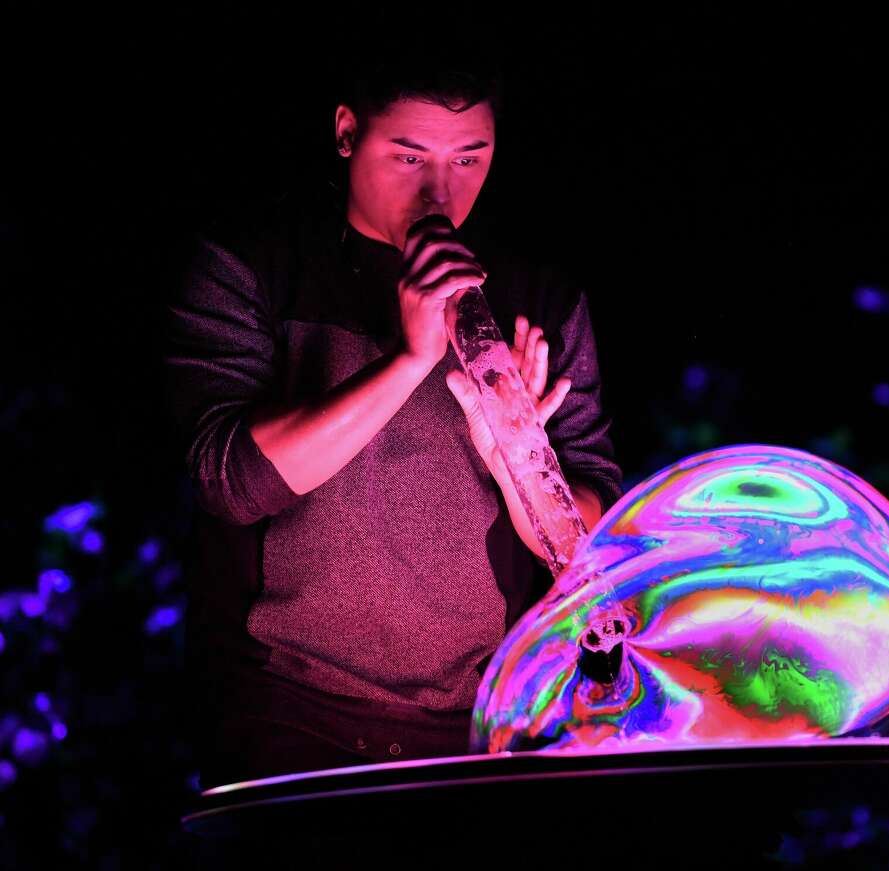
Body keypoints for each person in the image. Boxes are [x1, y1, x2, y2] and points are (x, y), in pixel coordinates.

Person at [164, 54, 623, 790]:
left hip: (478, 730)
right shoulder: (253, 268)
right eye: (408, 155)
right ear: (347, 130)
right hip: (285, 717)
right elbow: (229, 482)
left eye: (470, 156)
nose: (441, 189)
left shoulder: (540, 299)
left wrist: (517, 455)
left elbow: (590, 559)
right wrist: (411, 359)